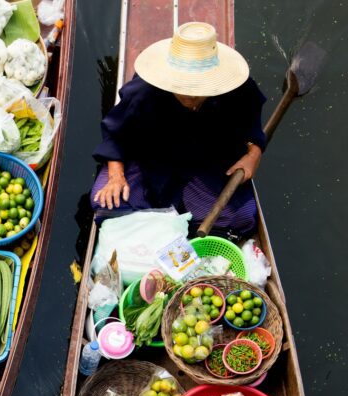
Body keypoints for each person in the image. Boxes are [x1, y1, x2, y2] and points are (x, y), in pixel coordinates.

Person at [91, 22, 266, 237]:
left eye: (197, 89)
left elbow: (252, 127)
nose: (189, 96)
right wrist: (116, 176)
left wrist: (254, 154)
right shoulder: (144, 91)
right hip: (151, 162)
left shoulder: (237, 90)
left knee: (243, 218)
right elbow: (115, 132)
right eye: (182, 86)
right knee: (106, 205)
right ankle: (166, 223)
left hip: (206, 166)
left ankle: (171, 223)